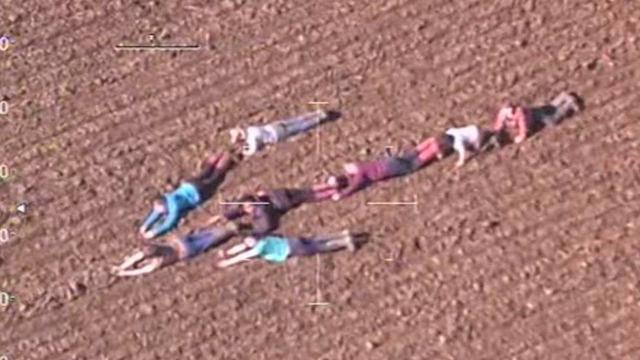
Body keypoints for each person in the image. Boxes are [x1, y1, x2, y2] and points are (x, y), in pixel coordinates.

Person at [327, 133, 455, 200]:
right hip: (389, 161)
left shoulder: (361, 175)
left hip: (391, 169)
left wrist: (342, 194)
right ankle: (432, 141)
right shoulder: (359, 167)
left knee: (413, 164)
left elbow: (353, 186)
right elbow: (350, 175)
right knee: (414, 152)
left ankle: (435, 149)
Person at [140, 152, 235, 239]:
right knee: (205, 172)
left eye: (158, 208)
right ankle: (221, 154)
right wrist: (145, 225)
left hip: (197, 192)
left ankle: (226, 160)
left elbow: (169, 223)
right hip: (188, 184)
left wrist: (154, 232)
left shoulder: (174, 207)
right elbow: (156, 212)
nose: (157, 211)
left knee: (214, 178)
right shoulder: (167, 197)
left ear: (163, 205)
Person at [113, 223, 238, 277]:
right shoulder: (151, 248)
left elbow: (142, 271)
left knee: (207, 242)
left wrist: (124, 272)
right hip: (179, 241)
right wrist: (121, 266)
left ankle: (229, 231)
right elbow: (136, 257)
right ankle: (224, 227)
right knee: (203, 234)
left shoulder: (156, 262)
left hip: (185, 251)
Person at [221, 184, 340, 237]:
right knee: (307, 190)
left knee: (309, 196)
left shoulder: (261, 211)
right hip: (280, 193)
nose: (245, 209)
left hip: (284, 203)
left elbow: (265, 226)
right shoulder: (258, 201)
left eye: (247, 207)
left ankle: (332, 192)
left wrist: (247, 229)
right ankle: (330, 186)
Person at [216, 230, 357, 267]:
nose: (246, 244)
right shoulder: (264, 239)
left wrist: (228, 262)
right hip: (291, 240)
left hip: (291, 250)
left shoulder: (258, 249)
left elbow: (243, 255)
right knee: (316, 238)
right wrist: (227, 253)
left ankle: (344, 242)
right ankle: (342, 234)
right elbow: (242, 247)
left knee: (319, 247)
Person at [229, 109, 330, 156]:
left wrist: (244, 151)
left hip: (277, 135)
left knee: (300, 127)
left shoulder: (252, 138)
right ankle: (316, 113)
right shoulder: (250, 129)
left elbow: (252, 150)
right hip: (274, 126)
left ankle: (319, 118)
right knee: (297, 119)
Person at [493, 91, 582, 144]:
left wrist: (520, 137)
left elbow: (523, 125)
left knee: (553, 120)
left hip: (536, 115)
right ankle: (562, 97)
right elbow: (499, 123)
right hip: (533, 113)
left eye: (510, 108)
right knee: (549, 108)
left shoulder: (519, 112)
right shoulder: (503, 113)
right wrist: (496, 132)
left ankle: (568, 104)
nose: (509, 111)